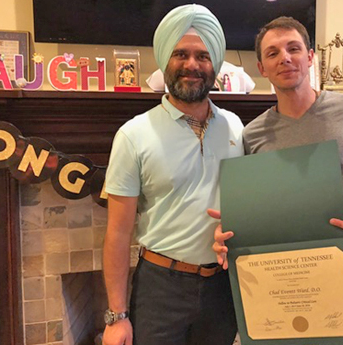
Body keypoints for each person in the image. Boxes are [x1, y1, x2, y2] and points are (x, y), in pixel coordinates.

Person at [212, 16, 343, 338]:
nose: (285, 57)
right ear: (262, 67)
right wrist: (229, 235)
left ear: (310, 57)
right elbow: (256, 210)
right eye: (273, 53)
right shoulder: (252, 135)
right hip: (279, 285)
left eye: (294, 48)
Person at [103, 4, 243, 345]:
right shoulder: (133, 135)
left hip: (222, 287)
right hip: (159, 289)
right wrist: (116, 317)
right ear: (165, 60)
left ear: (215, 66)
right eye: (180, 54)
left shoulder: (236, 128)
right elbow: (118, 234)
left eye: (202, 56)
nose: (191, 64)